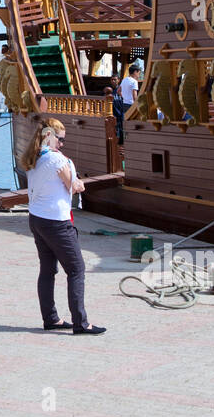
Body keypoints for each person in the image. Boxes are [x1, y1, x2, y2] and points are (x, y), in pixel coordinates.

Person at [19, 118, 104, 335]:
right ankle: (81, 323)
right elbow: (72, 185)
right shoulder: (57, 160)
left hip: (37, 218)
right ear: (49, 136)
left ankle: (51, 318)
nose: (62, 144)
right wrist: (79, 183)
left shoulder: (34, 156)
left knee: (47, 270)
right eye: (60, 139)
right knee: (76, 269)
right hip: (57, 222)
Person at [116, 65, 140, 144]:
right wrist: (137, 105)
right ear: (135, 72)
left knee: (125, 123)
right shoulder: (134, 81)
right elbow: (134, 95)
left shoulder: (124, 80)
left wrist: (124, 97)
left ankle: (124, 140)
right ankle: (133, 140)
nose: (138, 75)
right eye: (138, 73)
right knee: (133, 123)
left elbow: (118, 91)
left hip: (124, 103)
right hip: (131, 104)